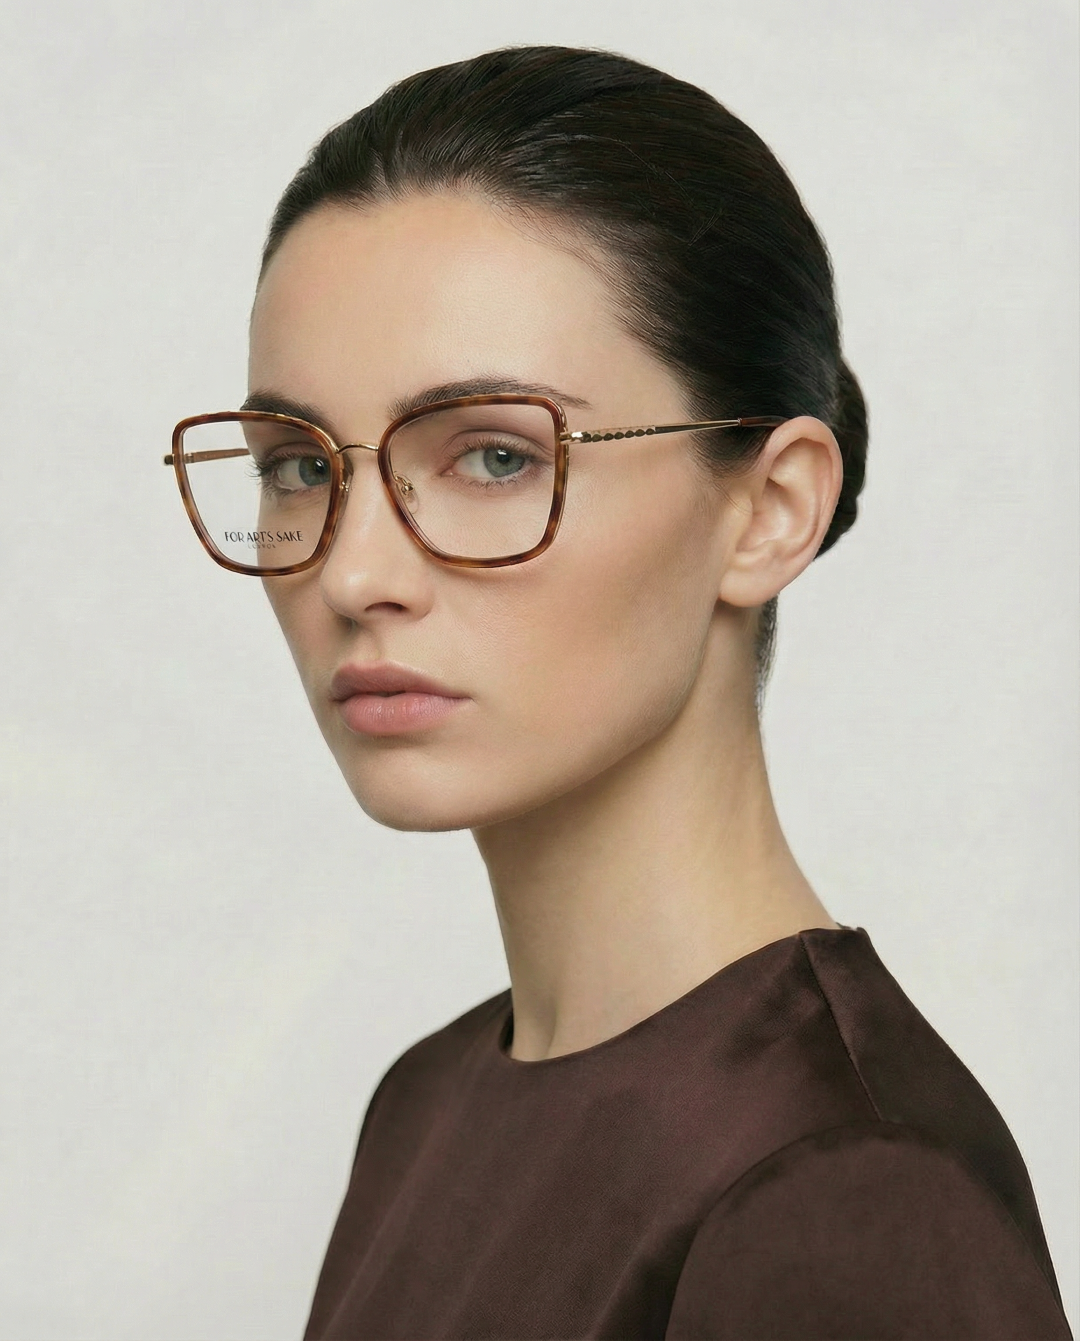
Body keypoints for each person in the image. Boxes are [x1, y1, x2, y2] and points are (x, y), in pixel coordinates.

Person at [164, 45, 1072, 1341]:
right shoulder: (427, 1108)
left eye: (490, 453)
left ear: (768, 511)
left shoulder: (841, 1194)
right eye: (299, 467)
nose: (355, 571)